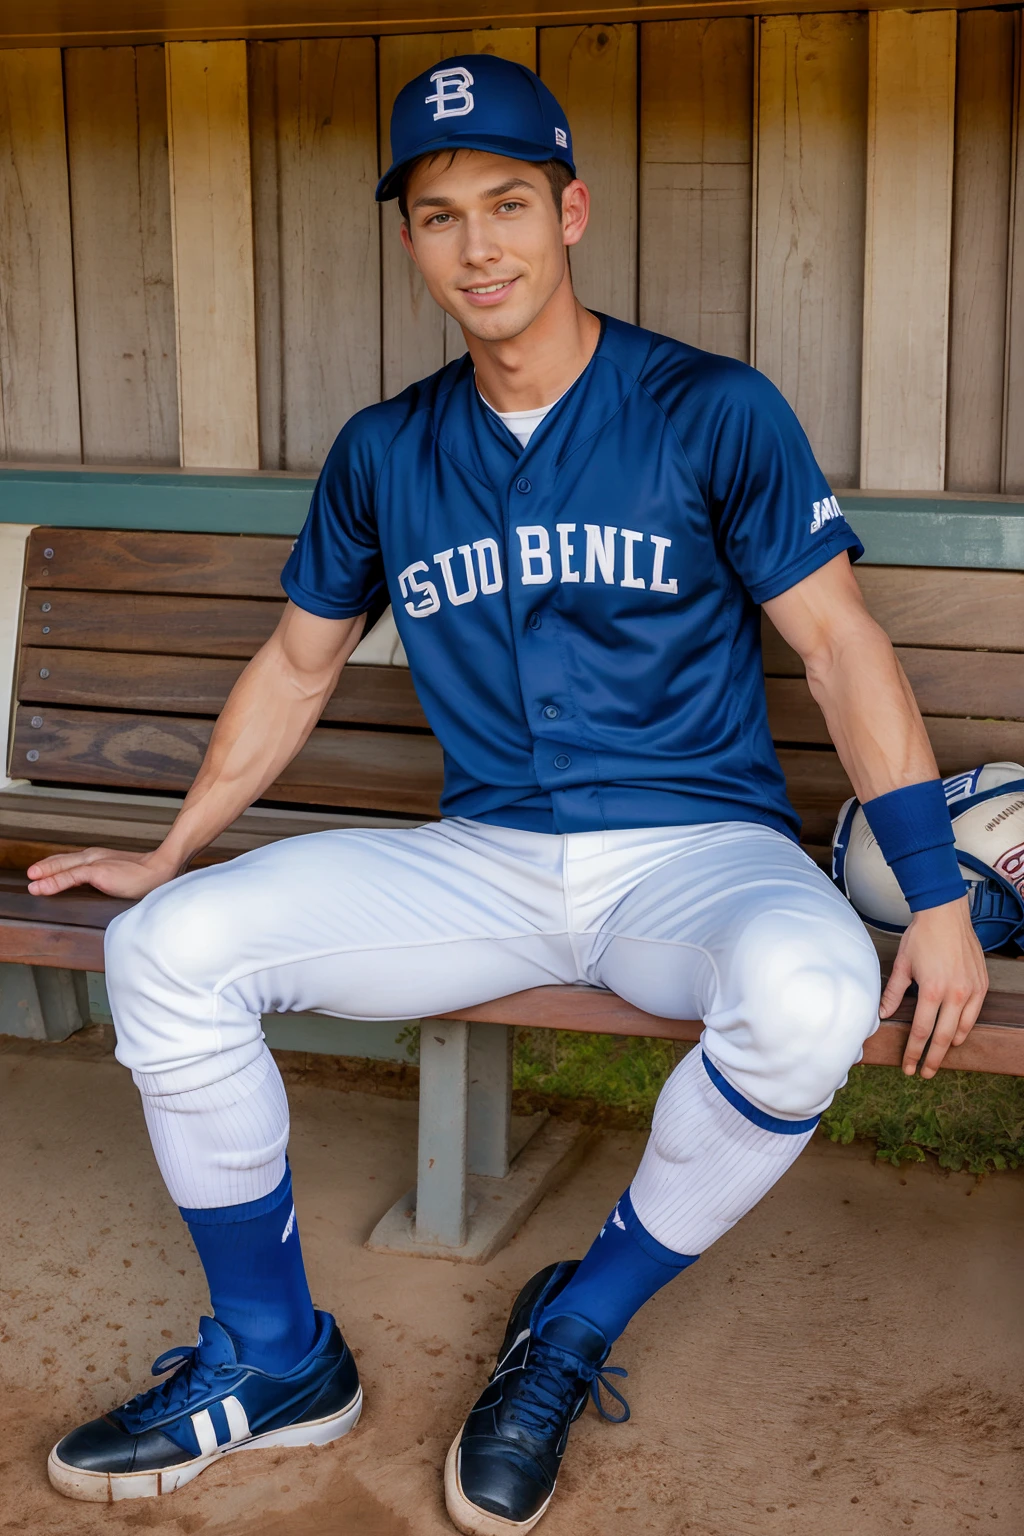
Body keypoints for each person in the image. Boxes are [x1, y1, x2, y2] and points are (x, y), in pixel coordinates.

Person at [33, 54, 987, 1534]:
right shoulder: (387, 449)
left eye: (509, 203)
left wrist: (935, 896)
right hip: (485, 860)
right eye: (438, 214)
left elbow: (840, 645)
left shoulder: (711, 409)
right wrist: (172, 852)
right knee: (170, 951)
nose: (478, 245)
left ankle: (574, 1321)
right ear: (408, 240)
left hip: (697, 860)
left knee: (809, 1002)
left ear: (571, 212)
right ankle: (281, 1362)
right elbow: (294, 670)